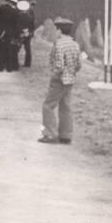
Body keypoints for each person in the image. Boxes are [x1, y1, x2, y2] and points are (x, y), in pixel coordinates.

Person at [39, 17, 84, 145]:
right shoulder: (75, 44)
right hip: (70, 79)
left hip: (59, 80)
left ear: (59, 30)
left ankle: (50, 134)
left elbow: (58, 65)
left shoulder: (59, 44)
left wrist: (54, 75)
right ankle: (66, 135)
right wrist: (72, 72)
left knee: (48, 106)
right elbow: (79, 64)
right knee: (66, 107)